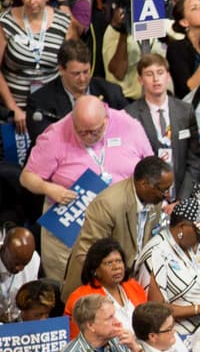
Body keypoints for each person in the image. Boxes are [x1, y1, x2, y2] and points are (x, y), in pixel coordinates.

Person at [21, 95, 153, 282]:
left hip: (119, 223)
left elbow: (149, 165)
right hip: (71, 229)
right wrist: (49, 188)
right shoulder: (56, 134)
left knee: (118, 284)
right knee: (72, 286)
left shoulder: (128, 125)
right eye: (82, 132)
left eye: (95, 131)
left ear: (106, 119)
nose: (89, 136)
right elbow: (27, 177)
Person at [0, 0, 76, 128]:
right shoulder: (6, 22)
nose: (32, 1)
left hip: (52, 107)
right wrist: (13, 108)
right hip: (16, 110)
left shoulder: (63, 21)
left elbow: (72, 64)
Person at [139, 197, 200, 336]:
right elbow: (155, 309)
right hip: (173, 335)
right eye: (199, 231)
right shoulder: (156, 252)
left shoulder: (197, 245)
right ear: (182, 227)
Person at [125, 54, 200, 200]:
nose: (156, 79)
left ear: (168, 76)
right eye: (149, 74)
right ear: (140, 80)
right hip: (147, 197)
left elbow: (194, 160)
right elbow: (129, 162)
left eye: (160, 72)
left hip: (181, 194)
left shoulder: (185, 111)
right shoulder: (130, 115)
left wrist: (182, 199)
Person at [24, 40, 127, 142]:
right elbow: (44, 141)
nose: (82, 79)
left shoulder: (111, 92)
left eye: (86, 72)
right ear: (61, 70)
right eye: (76, 74)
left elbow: (127, 127)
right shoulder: (40, 102)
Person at [63, 239, 148, 338]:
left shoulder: (134, 286)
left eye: (119, 261)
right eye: (109, 263)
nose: (116, 267)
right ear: (95, 270)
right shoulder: (81, 298)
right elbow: (78, 339)